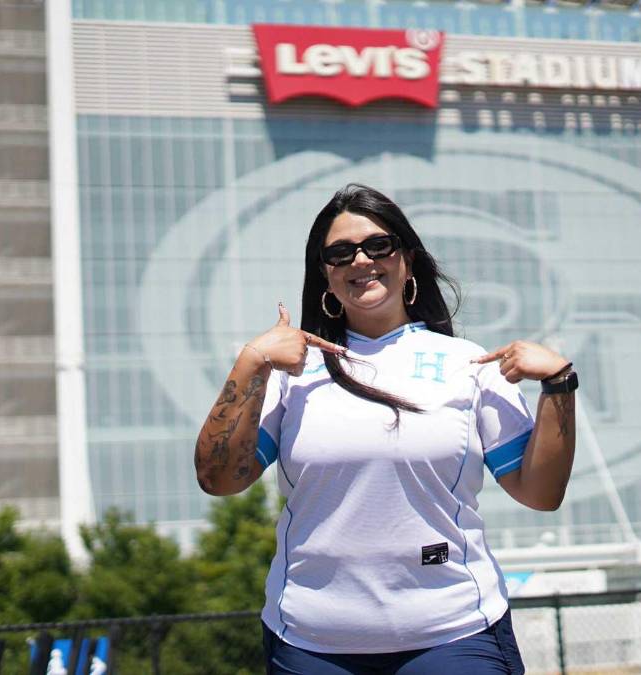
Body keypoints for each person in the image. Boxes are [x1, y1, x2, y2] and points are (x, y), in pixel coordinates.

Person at [194, 183, 578, 674]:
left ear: (408, 260)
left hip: (454, 634)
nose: (361, 261)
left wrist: (560, 384)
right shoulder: (291, 371)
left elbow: (541, 493)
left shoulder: (471, 363)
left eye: (379, 246)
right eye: (340, 253)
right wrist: (252, 361)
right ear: (324, 276)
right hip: (310, 642)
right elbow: (219, 479)